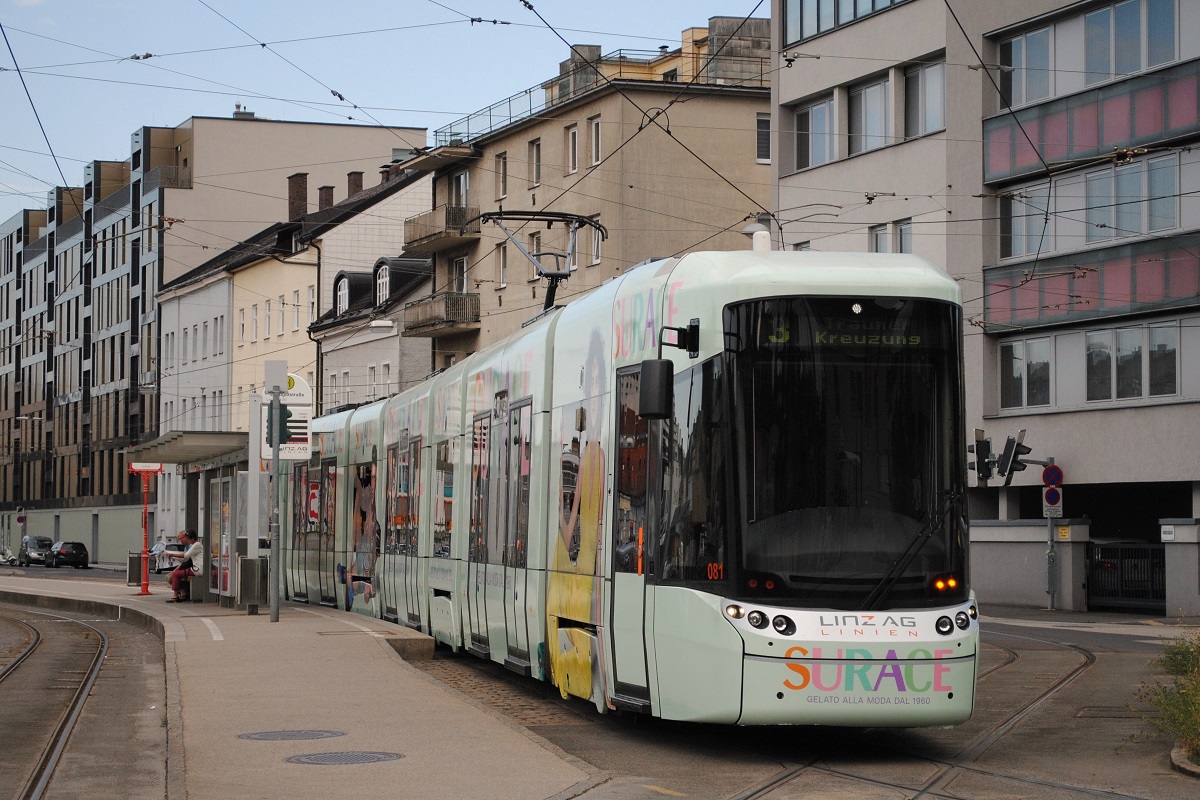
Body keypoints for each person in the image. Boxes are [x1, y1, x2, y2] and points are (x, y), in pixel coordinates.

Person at [163, 529, 203, 602]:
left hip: (198, 569)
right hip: (196, 568)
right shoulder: (194, 545)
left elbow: (186, 555)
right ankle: (182, 593)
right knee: (176, 574)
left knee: (175, 574)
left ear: (192, 538)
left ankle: (175, 596)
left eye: (187, 538)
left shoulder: (196, 545)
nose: (186, 540)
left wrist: (172, 555)